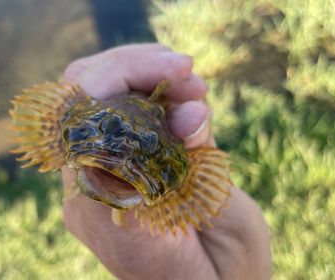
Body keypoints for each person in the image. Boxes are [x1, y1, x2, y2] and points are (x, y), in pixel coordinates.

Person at [61, 44, 271, 280]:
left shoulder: (184, 176)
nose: (117, 168)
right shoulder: (73, 115)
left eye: (150, 154)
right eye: (106, 133)